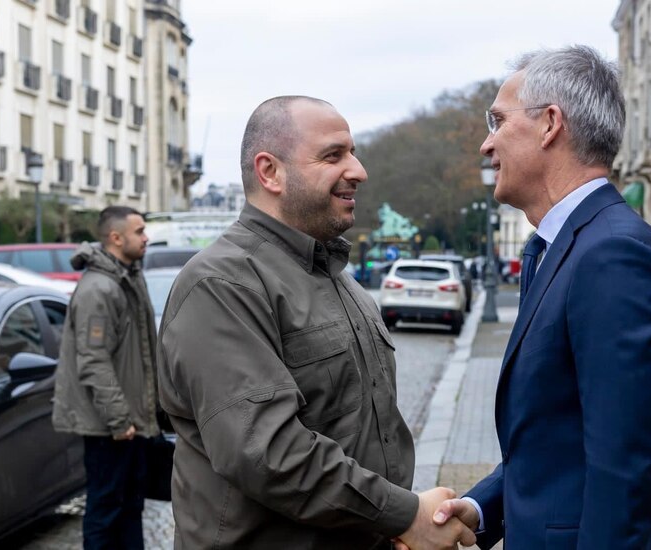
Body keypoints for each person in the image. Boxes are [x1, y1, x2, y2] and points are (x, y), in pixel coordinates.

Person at [156, 96, 475, 549]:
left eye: (353, 152)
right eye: (333, 155)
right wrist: (404, 515)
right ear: (270, 172)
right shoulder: (222, 283)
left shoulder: (340, 279)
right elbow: (267, 452)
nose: (359, 170)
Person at [431, 46, 651, 549]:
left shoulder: (613, 257)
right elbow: (558, 440)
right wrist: (479, 508)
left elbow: (623, 477)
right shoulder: (568, 248)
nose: (486, 145)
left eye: (497, 120)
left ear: (550, 123)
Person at [52, 206, 160, 549]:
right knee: (105, 510)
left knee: (130, 506)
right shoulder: (99, 289)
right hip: (110, 427)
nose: (146, 238)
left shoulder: (128, 275)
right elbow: (93, 360)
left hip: (130, 421)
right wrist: (119, 420)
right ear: (116, 238)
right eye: (139, 231)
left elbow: (141, 351)